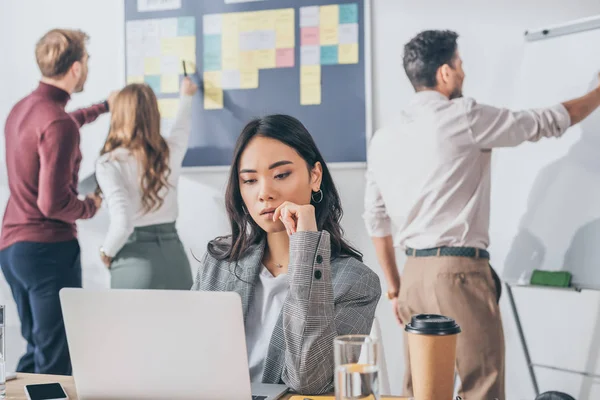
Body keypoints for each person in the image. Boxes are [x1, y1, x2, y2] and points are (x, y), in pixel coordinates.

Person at [363, 30, 600, 400]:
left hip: (412, 278)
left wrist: (395, 288)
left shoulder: (383, 137)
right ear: (444, 72)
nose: (463, 73)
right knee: (481, 387)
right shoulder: (464, 117)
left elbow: (375, 218)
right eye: (459, 65)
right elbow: (547, 121)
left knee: (422, 393)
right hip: (457, 275)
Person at [192, 115, 381, 394]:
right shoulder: (219, 263)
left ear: (314, 176)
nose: (264, 193)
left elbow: (308, 379)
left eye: (281, 175)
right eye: (250, 180)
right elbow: (190, 360)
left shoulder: (355, 283)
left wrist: (306, 245)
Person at [0, 29, 115, 375]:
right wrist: (91, 205)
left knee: (38, 349)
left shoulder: (23, 109)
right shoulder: (58, 122)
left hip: (13, 250)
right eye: (89, 62)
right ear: (77, 68)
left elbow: (63, 123)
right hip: (48, 250)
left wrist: (103, 107)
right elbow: (52, 204)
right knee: (56, 360)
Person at [95, 78, 197, 289]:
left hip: (133, 263)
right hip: (174, 261)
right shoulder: (170, 152)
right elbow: (181, 128)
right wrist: (186, 97)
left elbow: (123, 223)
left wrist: (107, 251)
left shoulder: (110, 163)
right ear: (154, 115)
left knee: (129, 324)